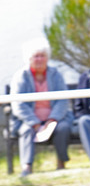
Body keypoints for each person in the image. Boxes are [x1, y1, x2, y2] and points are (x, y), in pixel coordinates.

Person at [10, 37, 74, 176]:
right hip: (29, 120)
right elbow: (18, 103)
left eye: (42, 56)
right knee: (26, 131)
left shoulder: (55, 74)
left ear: (47, 57)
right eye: (36, 56)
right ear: (29, 58)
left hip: (55, 118)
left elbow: (62, 100)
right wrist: (35, 124)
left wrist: (52, 120)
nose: (39, 59)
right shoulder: (21, 76)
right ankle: (27, 166)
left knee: (63, 128)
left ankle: (61, 162)